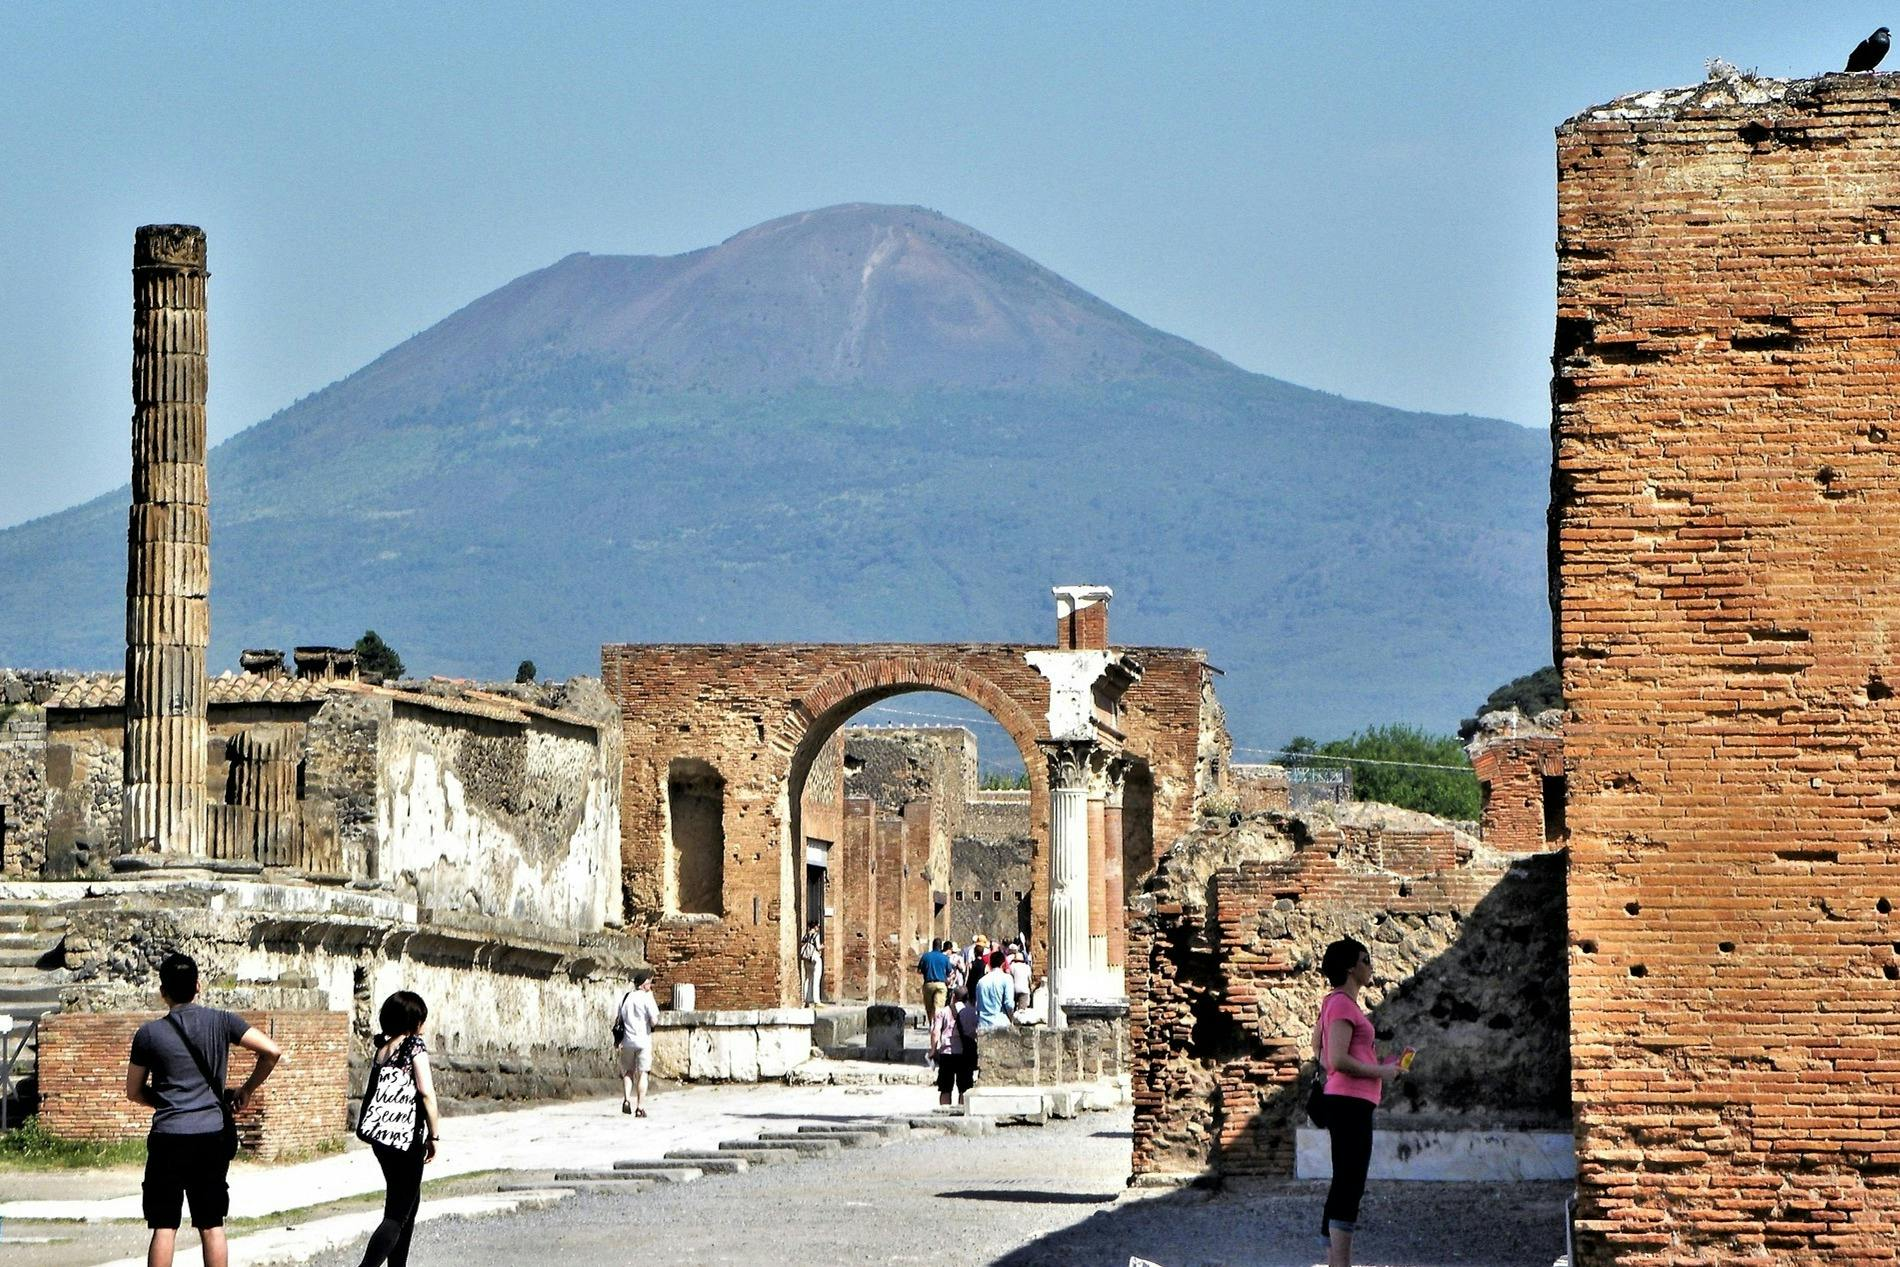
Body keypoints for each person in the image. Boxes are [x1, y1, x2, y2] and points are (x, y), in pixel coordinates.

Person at [124, 951, 284, 1267]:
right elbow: (271, 1051)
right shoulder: (223, 1021)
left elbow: (133, 1091)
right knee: (212, 1224)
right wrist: (247, 1089)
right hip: (211, 1135)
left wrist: (165, 1101)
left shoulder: (148, 1035)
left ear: (163, 993)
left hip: (168, 1135)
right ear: (199, 985)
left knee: (164, 1226)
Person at [1313, 937, 1403, 1267]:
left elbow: (1319, 1052)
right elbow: (1336, 1059)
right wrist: (1380, 1071)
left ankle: (1336, 1260)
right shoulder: (1340, 1004)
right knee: (1350, 1183)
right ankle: (1341, 1263)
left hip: (1350, 1101)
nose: (1371, 966)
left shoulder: (1335, 1003)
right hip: (1349, 1103)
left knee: (1345, 1180)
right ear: (1351, 966)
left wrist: (1379, 1068)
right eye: (1366, 959)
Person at [357, 991, 441, 1267]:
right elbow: (426, 1093)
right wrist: (434, 1135)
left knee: (408, 1206)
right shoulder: (413, 1046)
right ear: (414, 1021)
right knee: (396, 1213)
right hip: (406, 1139)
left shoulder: (382, 1049)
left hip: (383, 1139)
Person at [616, 969, 662, 1117]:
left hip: (627, 1041)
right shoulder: (647, 998)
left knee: (628, 1072)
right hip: (643, 1041)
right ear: (644, 984)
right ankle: (640, 1107)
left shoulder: (626, 998)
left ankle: (627, 1100)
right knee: (643, 1073)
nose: (651, 985)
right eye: (649, 982)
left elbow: (619, 1019)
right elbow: (654, 1020)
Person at [928, 985, 976, 1106]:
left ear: (953, 996)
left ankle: (944, 1114)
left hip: (947, 1053)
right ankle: (961, 1112)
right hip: (964, 1054)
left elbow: (935, 1032)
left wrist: (933, 1050)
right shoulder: (971, 1012)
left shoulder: (943, 1011)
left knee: (945, 1089)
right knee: (964, 1089)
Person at [975, 948, 1015, 1031]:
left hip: (983, 1025)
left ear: (990, 963)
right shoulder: (1007, 978)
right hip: (1000, 1023)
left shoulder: (981, 981)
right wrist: (1012, 1019)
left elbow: (978, 1005)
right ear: (1003, 963)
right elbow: (1009, 1004)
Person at [918, 939, 952, 1027]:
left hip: (928, 983)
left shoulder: (926, 956)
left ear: (932, 945)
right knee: (939, 1007)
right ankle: (937, 1025)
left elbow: (919, 970)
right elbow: (949, 972)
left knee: (929, 1008)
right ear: (941, 947)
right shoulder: (944, 958)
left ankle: (931, 1024)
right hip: (941, 984)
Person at [799, 922, 824, 1005]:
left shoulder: (806, 936)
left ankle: (806, 999)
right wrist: (822, 946)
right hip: (815, 958)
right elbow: (818, 947)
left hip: (806, 958)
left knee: (807, 978)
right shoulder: (816, 935)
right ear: (815, 927)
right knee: (816, 979)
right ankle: (816, 1000)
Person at [1007, 940, 1033, 1011]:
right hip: (1024, 989)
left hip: (1014, 989)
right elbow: (1029, 979)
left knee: (1013, 1009)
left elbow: (1010, 977)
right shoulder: (1027, 967)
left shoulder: (1012, 966)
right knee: (1022, 1011)